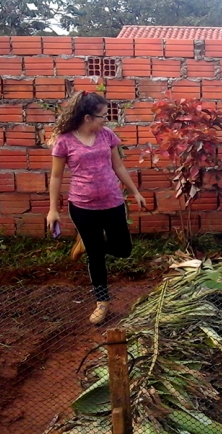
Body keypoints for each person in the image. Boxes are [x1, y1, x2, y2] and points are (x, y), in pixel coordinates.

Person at [46, 91, 147, 324]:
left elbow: (118, 166)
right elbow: (56, 177)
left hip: (112, 202)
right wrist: (53, 209)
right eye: (103, 115)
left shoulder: (107, 136)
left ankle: (88, 244)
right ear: (87, 117)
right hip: (82, 207)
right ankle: (102, 302)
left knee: (123, 249)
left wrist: (135, 192)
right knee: (96, 257)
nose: (106, 119)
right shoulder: (64, 141)